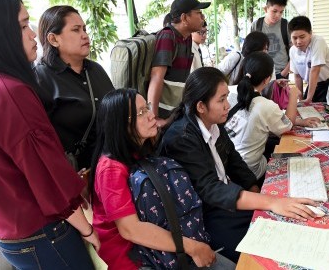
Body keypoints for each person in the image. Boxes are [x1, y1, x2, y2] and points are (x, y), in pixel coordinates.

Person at [0, 0, 99, 269]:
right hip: (42, 232)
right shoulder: (9, 92)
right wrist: (89, 231)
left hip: (10, 232)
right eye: (23, 26)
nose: (33, 35)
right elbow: (46, 176)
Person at [158, 67, 319, 262]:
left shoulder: (212, 123)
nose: (227, 105)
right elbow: (211, 190)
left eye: (227, 97)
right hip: (205, 215)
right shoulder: (182, 138)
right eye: (221, 100)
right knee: (270, 249)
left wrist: (258, 194)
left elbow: (235, 161)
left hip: (224, 200)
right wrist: (270, 202)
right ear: (201, 106)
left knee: (283, 218)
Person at [89, 89, 235, 269]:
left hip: (161, 245)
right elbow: (131, 230)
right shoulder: (110, 169)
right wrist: (192, 247)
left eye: (147, 108)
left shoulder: (137, 152)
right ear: (119, 125)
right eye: (141, 113)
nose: (151, 115)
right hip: (135, 258)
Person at [34, 5, 114, 171]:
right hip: (75, 176)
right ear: (53, 39)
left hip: (110, 168)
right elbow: (39, 140)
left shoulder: (96, 70)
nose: (85, 35)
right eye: (76, 30)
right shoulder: (41, 78)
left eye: (84, 29)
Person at [225, 52, 321, 179]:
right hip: (248, 171)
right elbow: (288, 126)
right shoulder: (265, 105)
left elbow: (263, 117)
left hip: (228, 165)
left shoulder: (230, 94)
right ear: (267, 79)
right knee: (288, 152)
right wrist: (293, 96)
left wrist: (300, 121)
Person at [147, 0, 210, 126]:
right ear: (184, 18)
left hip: (175, 113)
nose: (203, 18)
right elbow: (156, 77)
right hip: (163, 115)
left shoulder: (186, 39)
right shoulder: (167, 36)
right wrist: (154, 118)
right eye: (198, 13)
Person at [289, 16, 329, 103]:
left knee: (322, 113)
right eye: (294, 38)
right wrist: (301, 98)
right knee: (305, 109)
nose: (298, 42)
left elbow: (315, 70)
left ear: (310, 33)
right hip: (312, 84)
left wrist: (309, 99)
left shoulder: (318, 42)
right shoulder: (292, 51)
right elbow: (297, 76)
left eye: (302, 37)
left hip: (326, 85)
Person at [251, 0, 291, 80]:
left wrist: (285, 72)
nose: (278, 15)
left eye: (281, 12)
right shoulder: (256, 25)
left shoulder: (285, 25)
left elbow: (295, 50)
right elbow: (250, 49)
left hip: (281, 72)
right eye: (274, 11)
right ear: (266, 9)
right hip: (261, 73)